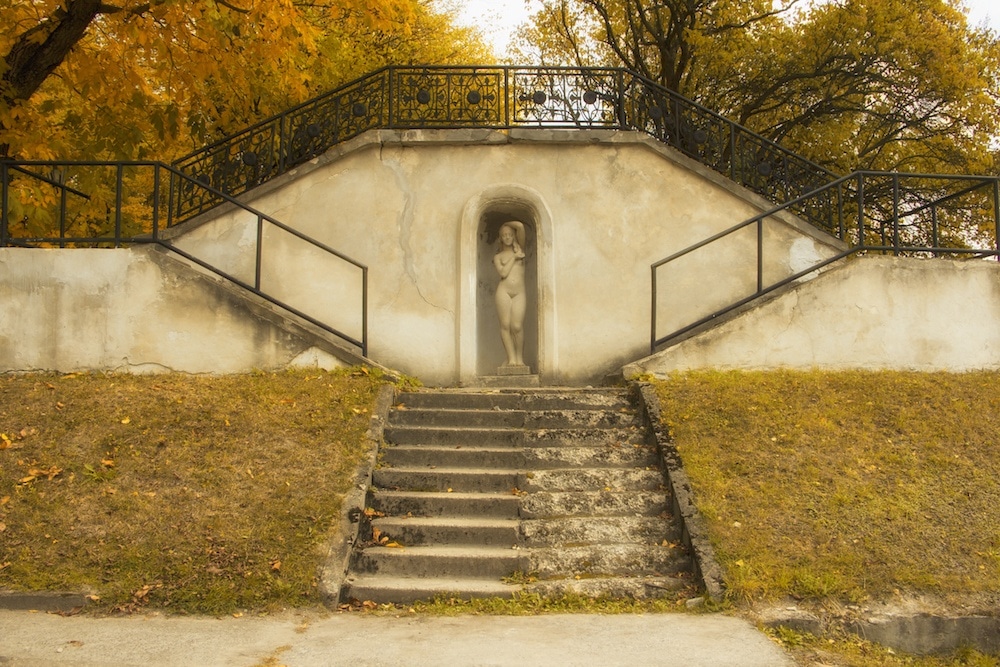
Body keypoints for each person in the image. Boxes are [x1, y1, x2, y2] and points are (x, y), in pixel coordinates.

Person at [493, 221, 527, 367]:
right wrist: (514, 257)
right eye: (504, 235)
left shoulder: (521, 248)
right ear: (500, 238)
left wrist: (505, 223)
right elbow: (503, 272)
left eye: (510, 234)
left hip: (519, 292)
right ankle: (511, 358)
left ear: (514, 236)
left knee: (517, 326)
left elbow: (520, 226)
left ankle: (519, 359)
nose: (507, 237)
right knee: (505, 325)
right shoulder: (498, 257)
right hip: (503, 291)